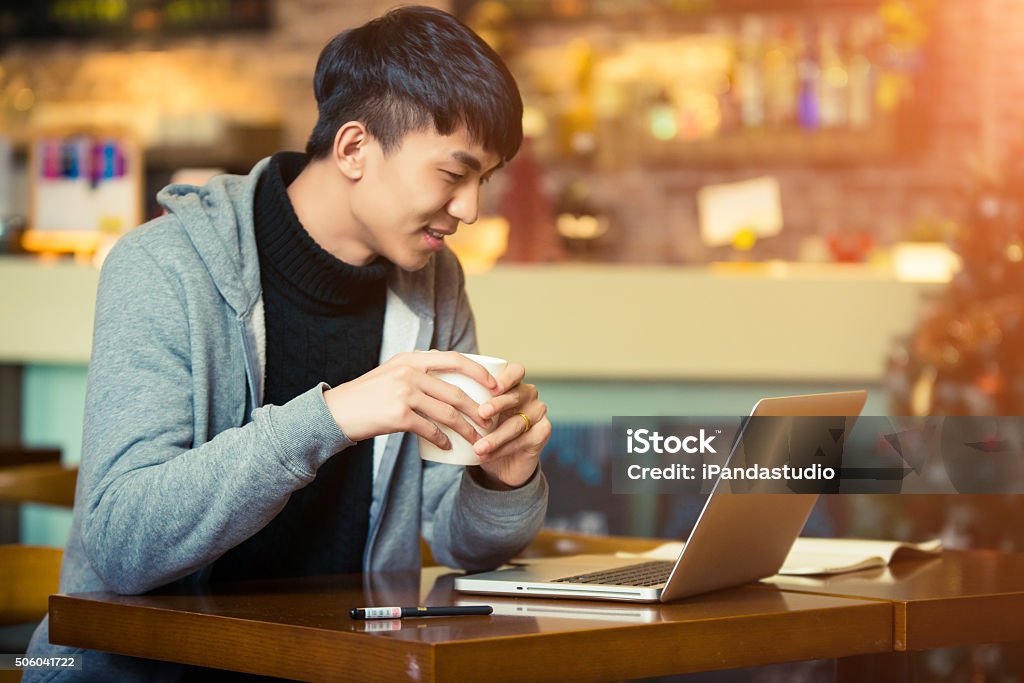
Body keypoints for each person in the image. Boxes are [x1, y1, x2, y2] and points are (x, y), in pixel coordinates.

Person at [25, 6, 550, 680]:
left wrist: (499, 478)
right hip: (160, 669)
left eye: (486, 179)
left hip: (346, 665)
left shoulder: (435, 285)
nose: (473, 209)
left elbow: (459, 542)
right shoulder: (162, 266)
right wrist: (328, 417)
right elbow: (125, 543)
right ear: (355, 148)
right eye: (454, 175)